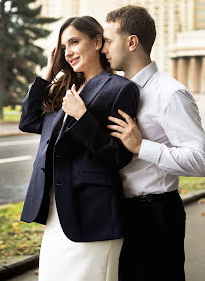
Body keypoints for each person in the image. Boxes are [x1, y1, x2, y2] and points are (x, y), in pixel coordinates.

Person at [19, 15, 139, 281]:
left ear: (97, 41)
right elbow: (28, 122)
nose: (68, 52)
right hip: (56, 213)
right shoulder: (64, 88)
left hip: (93, 215)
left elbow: (118, 156)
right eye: (64, 47)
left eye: (74, 42)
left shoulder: (120, 89)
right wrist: (49, 74)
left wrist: (82, 117)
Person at [101, 5, 205, 281]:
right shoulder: (116, 91)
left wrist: (141, 146)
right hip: (120, 213)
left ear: (132, 42)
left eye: (109, 41)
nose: (103, 48)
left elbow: (201, 159)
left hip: (156, 215)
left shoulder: (171, 94)